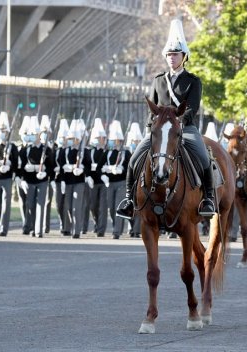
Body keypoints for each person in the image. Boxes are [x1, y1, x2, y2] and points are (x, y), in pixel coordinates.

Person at [117, 19, 215, 219]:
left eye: (175, 55)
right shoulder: (158, 80)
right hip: (160, 131)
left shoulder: (193, 81)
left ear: (183, 56)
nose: (171, 58)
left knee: (204, 157)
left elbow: (192, 108)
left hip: (184, 128)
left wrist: (178, 123)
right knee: (134, 158)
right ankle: (129, 199)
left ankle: (208, 198)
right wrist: (150, 127)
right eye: (169, 55)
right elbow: (152, 107)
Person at [17, 115, 54, 238]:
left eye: (34, 134)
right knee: (30, 205)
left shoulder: (46, 149)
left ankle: (39, 230)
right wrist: (22, 179)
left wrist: (46, 173)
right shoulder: (25, 150)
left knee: (41, 204)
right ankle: (32, 226)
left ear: (39, 135)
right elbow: (21, 166)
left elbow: (51, 166)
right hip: (29, 181)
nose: (31, 136)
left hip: (42, 181)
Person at [103, 120, 131, 239]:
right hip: (110, 183)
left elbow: (130, 169)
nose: (114, 143)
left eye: (116, 140)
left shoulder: (126, 153)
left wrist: (122, 170)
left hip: (121, 183)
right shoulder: (108, 153)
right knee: (111, 207)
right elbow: (100, 167)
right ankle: (116, 226)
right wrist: (106, 171)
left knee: (118, 207)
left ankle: (117, 231)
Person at [85, 117, 108, 237]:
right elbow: (86, 164)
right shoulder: (89, 151)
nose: (101, 140)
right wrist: (88, 175)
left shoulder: (106, 152)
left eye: (103, 138)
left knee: (103, 206)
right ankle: (96, 223)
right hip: (92, 181)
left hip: (103, 181)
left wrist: (105, 170)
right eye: (99, 138)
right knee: (93, 205)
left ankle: (101, 229)